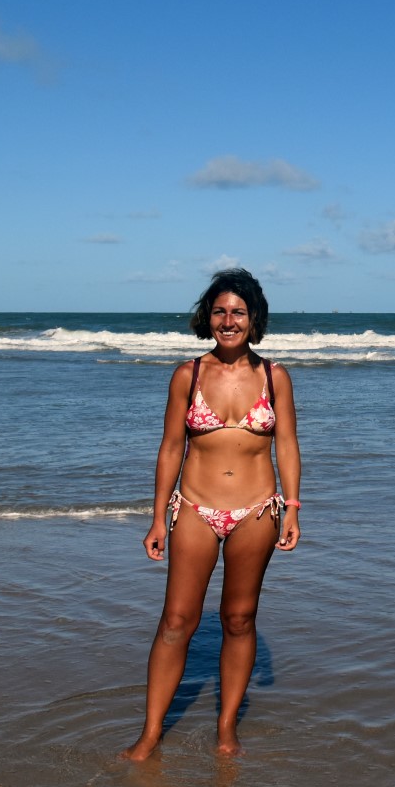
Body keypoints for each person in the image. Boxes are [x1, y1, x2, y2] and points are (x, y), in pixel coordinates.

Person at [121, 268, 301, 759]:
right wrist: (158, 518)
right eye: (220, 311)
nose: (228, 320)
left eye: (238, 312)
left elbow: (286, 443)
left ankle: (226, 729)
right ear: (208, 317)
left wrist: (292, 507)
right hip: (194, 508)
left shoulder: (275, 376)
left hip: (258, 510)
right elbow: (170, 448)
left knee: (239, 619)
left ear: (254, 318)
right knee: (177, 620)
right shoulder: (188, 375)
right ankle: (151, 734)